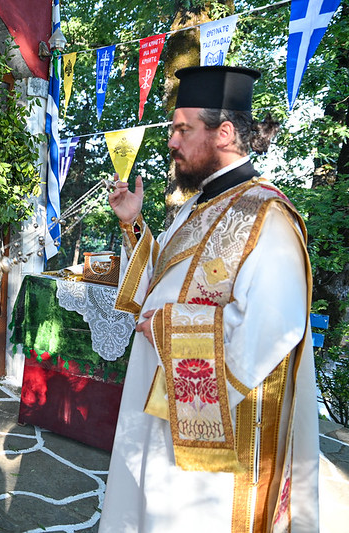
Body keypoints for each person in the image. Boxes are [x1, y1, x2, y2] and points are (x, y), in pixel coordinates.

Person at [100, 66, 319, 532]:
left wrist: (168, 327)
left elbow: (273, 329)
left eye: (183, 128)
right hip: (160, 407)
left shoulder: (269, 218)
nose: (172, 141)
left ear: (223, 133)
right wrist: (134, 225)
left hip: (213, 446)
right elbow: (164, 282)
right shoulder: (197, 206)